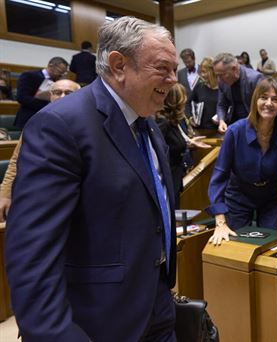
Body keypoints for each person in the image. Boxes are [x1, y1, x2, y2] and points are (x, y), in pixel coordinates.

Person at [5, 17, 180, 341]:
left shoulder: (148, 123)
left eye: (175, 69)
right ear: (118, 65)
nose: (173, 80)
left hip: (155, 308)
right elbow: (32, 257)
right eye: (163, 68)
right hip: (99, 321)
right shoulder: (60, 126)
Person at [207, 77, 277, 245]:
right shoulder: (234, 132)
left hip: (272, 197)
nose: (269, 103)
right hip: (238, 195)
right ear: (255, 101)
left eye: (275, 99)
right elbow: (219, 176)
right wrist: (220, 221)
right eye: (264, 97)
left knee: (269, 245)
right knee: (235, 245)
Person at [0, 79, 81, 222]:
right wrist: (5, 195)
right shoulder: (36, 122)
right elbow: (16, 161)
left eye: (68, 93)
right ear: (50, 96)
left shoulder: (88, 124)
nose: (62, 97)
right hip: (37, 196)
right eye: (57, 92)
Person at [156, 83, 211, 208]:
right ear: (175, 100)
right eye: (183, 98)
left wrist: (188, 143)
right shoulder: (163, 123)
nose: (185, 101)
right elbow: (161, 151)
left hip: (175, 177)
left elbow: (173, 144)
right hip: (167, 179)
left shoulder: (173, 121)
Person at [213, 52, 264, 133]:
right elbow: (221, 104)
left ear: (234, 69)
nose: (219, 79)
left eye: (221, 75)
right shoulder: (222, 81)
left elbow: (263, 107)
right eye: (217, 75)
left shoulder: (255, 79)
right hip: (234, 124)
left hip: (255, 123)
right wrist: (221, 121)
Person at [13, 56, 68, 129]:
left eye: (63, 73)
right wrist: (48, 106)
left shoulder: (58, 82)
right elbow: (22, 98)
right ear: (50, 66)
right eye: (60, 72)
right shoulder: (29, 75)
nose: (61, 75)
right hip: (29, 118)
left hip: (48, 121)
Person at [186, 57, 219, 130]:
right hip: (200, 131)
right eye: (201, 72)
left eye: (204, 72)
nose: (202, 75)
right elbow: (187, 103)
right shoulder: (199, 87)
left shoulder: (223, 89)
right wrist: (190, 117)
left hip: (219, 131)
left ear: (213, 72)